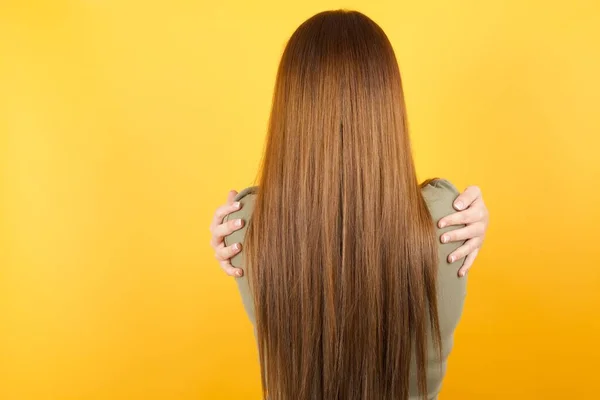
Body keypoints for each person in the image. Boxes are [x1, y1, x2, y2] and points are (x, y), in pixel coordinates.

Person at [209, 10, 489, 400]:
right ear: (387, 105)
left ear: (290, 107)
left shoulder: (244, 226)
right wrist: (462, 207)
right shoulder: (450, 220)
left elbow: (261, 212)